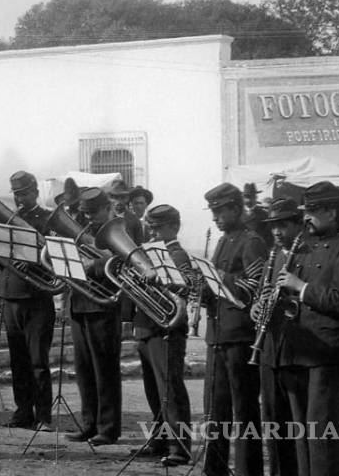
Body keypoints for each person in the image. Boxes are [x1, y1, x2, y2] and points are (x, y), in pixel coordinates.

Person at [272, 182, 339, 476]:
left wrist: (300, 287)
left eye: (313, 211)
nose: (306, 218)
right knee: (304, 436)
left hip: (332, 355)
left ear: (332, 212)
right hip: (302, 352)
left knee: (323, 437)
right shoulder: (307, 246)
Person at [200, 182, 266, 476]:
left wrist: (220, 277)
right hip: (217, 334)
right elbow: (216, 287)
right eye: (213, 212)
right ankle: (214, 469)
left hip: (240, 336)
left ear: (237, 209)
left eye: (220, 211)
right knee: (216, 409)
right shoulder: (223, 240)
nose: (215, 217)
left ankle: (247, 471)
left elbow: (256, 288)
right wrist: (200, 286)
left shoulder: (251, 241)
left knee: (244, 410)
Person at [131, 204, 192, 467]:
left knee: (170, 389)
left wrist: (161, 279)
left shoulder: (178, 255)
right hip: (146, 326)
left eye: (158, 228)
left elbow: (186, 287)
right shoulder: (146, 253)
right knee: (154, 390)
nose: (153, 232)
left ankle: (180, 446)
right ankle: (159, 439)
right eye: (151, 227)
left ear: (174, 227)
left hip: (166, 329)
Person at [65, 187, 124, 446]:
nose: (88, 218)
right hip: (79, 303)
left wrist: (95, 266)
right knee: (84, 369)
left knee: (104, 369)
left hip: (103, 306)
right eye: (85, 213)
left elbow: (124, 262)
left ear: (105, 208)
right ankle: (89, 424)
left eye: (92, 213)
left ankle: (108, 428)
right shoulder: (80, 228)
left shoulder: (119, 229)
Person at [0, 170, 56, 431]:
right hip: (11, 296)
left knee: (38, 362)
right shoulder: (8, 221)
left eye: (24, 193)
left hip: (36, 297)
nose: (20, 199)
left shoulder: (47, 220)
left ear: (35, 192)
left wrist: (31, 257)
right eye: (17, 194)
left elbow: (55, 256)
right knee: (18, 362)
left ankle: (43, 415)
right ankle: (23, 411)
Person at [252, 197, 305, 476]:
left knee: (299, 428)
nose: (276, 232)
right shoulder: (274, 256)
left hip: (297, 351)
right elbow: (258, 299)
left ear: (298, 224)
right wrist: (257, 308)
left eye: (282, 225)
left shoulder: (307, 254)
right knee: (272, 422)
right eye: (273, 226)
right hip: (270, 351)